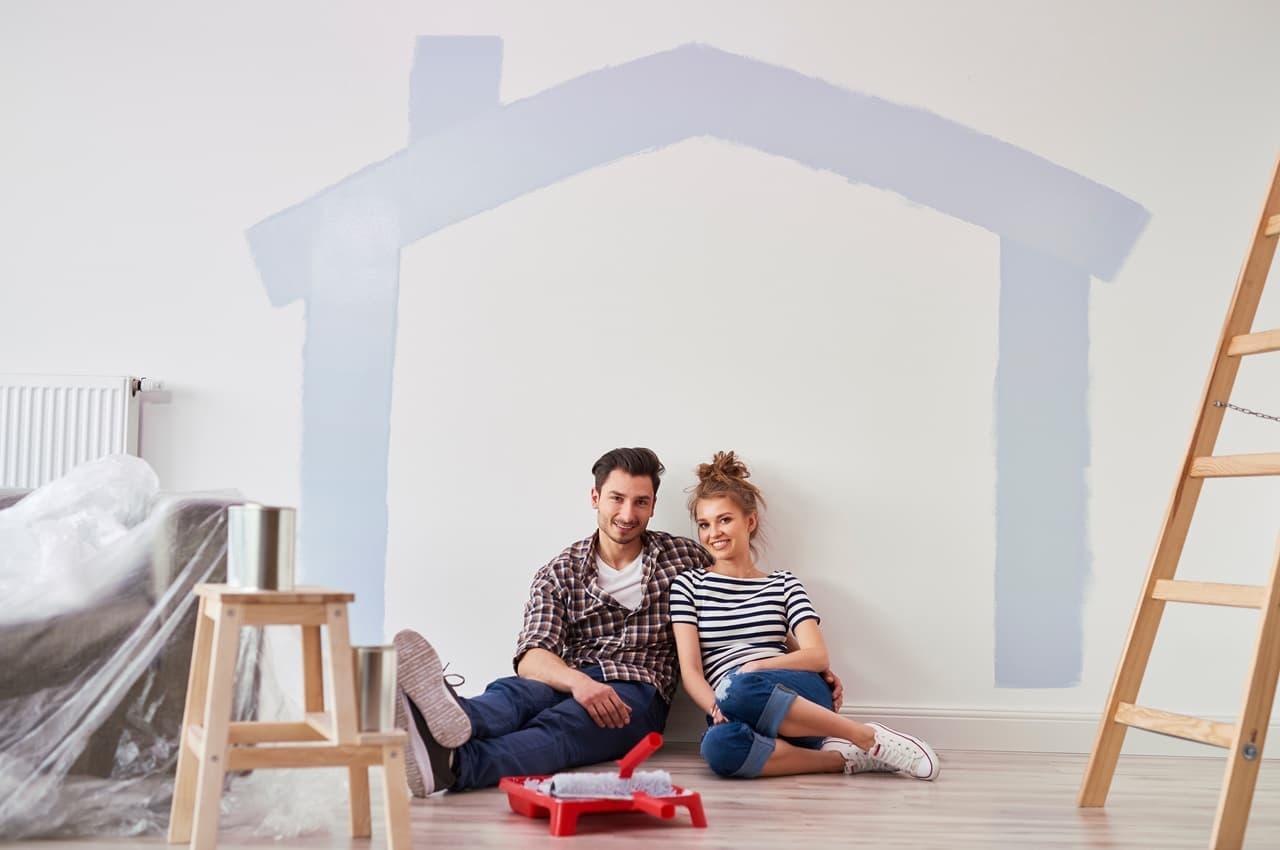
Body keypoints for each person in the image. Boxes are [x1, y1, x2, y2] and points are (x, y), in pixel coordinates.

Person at [393, 447, 714, 795]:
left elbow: (732, 597)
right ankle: (448, 715)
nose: (627, 513)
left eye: (640, 502)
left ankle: (455, 765)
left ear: (653, 505)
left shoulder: (685, 558)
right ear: (595, 497)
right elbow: (532, 655)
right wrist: (578, 683)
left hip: (638, 689)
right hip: (569, 675)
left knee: (563, 726)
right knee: (514, 695)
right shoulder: (560, 571)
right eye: (616, 498)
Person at [670, 451, 940, 780]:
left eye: (724, 519)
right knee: (717, 747)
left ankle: (865, 736)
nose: (714, 532)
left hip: (796, 693)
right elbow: (692, 671)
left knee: (739, 687)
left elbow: (816, 655)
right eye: (704, 524)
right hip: (731, 704)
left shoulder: (783, 583)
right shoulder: (688, 585)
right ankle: (845, 759)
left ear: (750, 521)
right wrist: (717, 706)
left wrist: (757, 667)